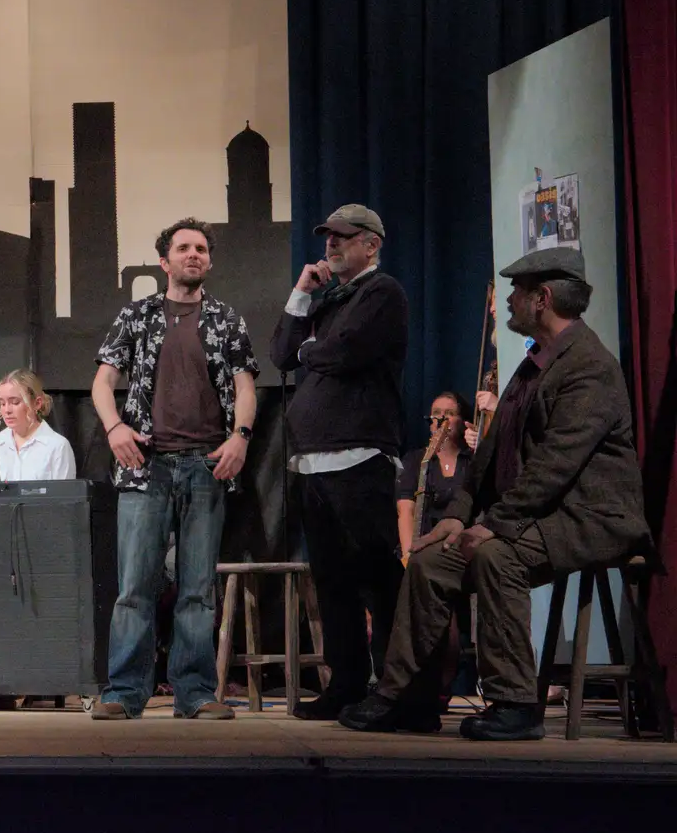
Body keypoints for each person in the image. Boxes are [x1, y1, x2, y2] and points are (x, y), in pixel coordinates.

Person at [340, 248, 648, 740]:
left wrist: (494, 523)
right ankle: (408, 698)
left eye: (517, 292)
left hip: (591, 516)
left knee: (495, 557)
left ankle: (516, 704)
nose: (507, 300)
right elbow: (485, 462)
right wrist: (458, 516)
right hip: (541, 516)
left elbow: (555, 467)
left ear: (542, 299)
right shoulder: (532, 366)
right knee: (431, 560)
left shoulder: (589, 367)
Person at [90, 219, 258, 721]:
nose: (193, 255)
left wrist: (241, 438)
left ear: (209, 261)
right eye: (183, 248)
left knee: (196, 590)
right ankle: (123, 692)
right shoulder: (138, 315)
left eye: (201, 249)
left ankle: (196, 693)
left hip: (207, 465)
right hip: (147, 465)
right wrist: (115, 427)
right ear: (164, 262)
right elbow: (103, 382)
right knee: (135, 586)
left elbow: (246, 387)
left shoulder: (227, 319)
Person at [271, 203, 408, 721]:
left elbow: (345, 352)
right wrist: (303, 293)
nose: (330, 245)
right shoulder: (325, 298)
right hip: (312, 462)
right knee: (331, 581)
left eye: (342, 238)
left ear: (370, 244)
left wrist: (312, 348)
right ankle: (346, 684)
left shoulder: (383, 292)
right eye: (327, 237)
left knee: (376, 576)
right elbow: (282, 352)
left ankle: (398, 688)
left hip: (358, 454)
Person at [396, 392, 474, 559]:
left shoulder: (472, 461)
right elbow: (406, 511)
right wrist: (408, 556)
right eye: (436, 413)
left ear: (462, 422)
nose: (441, 419)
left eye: (449, 413)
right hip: (421, 548)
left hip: (460, 550)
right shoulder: (415, 459)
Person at [0, 369, 76, 482]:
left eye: (15, 402)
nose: (7, 410)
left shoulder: (57, 446)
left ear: (37, 403)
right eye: (2, 403)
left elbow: (64, 497)